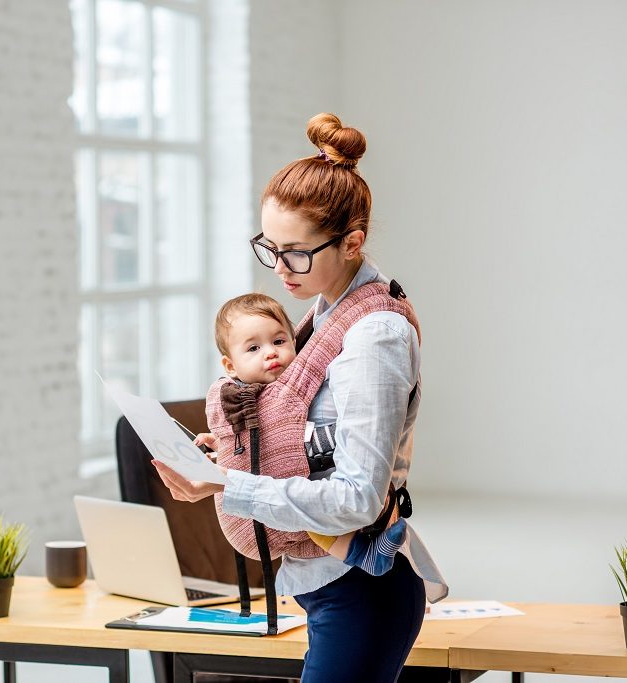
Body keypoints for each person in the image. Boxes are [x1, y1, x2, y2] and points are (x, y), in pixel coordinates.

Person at [152, 112, 447, 683]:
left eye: (296, 252)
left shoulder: (373, 336)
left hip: (363, 594)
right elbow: (313, 437)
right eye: (270, 246)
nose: (280, 269)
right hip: (322, 586)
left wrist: (225, 485)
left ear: (353, 241)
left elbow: (358, 498)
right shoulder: (322, 314)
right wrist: (231, 456)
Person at [197, 291, 408, 577]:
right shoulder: (235, 395)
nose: (270, 352)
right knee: (315, 516)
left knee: (319, 520)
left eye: (279, 341)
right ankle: (363, 552)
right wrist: (218, 446)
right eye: (253, 349)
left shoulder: (298, 392)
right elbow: (240, 438)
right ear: (231, 366)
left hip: (299, 512)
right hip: (252, 517)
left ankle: (365, 554)